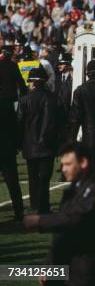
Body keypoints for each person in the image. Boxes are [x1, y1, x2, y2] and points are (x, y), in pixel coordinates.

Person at [23, 143, 95, 286]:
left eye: (68, 164)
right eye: (62, 164)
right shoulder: (73, 191)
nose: (63, 169)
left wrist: (39, 221)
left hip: (88, 275)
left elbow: (76, 218)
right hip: (67, 274)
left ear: (83, 162)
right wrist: (49, 265)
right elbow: (60, 236)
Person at [16, 67, 58, 214]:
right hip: (48, 145)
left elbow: (19, 124)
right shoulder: (54, 98)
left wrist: (18, 144)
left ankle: (35, 205)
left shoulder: (24, 100)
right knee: (45, 179)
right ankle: (44, 207)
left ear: (33, 83)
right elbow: (62, 120)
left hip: (30, 145)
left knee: (33, 178)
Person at [0, 46, 26, 220]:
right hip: (7, 147)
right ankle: (19, 211)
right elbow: (15, 127)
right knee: (12, 181)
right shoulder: (12, 66)